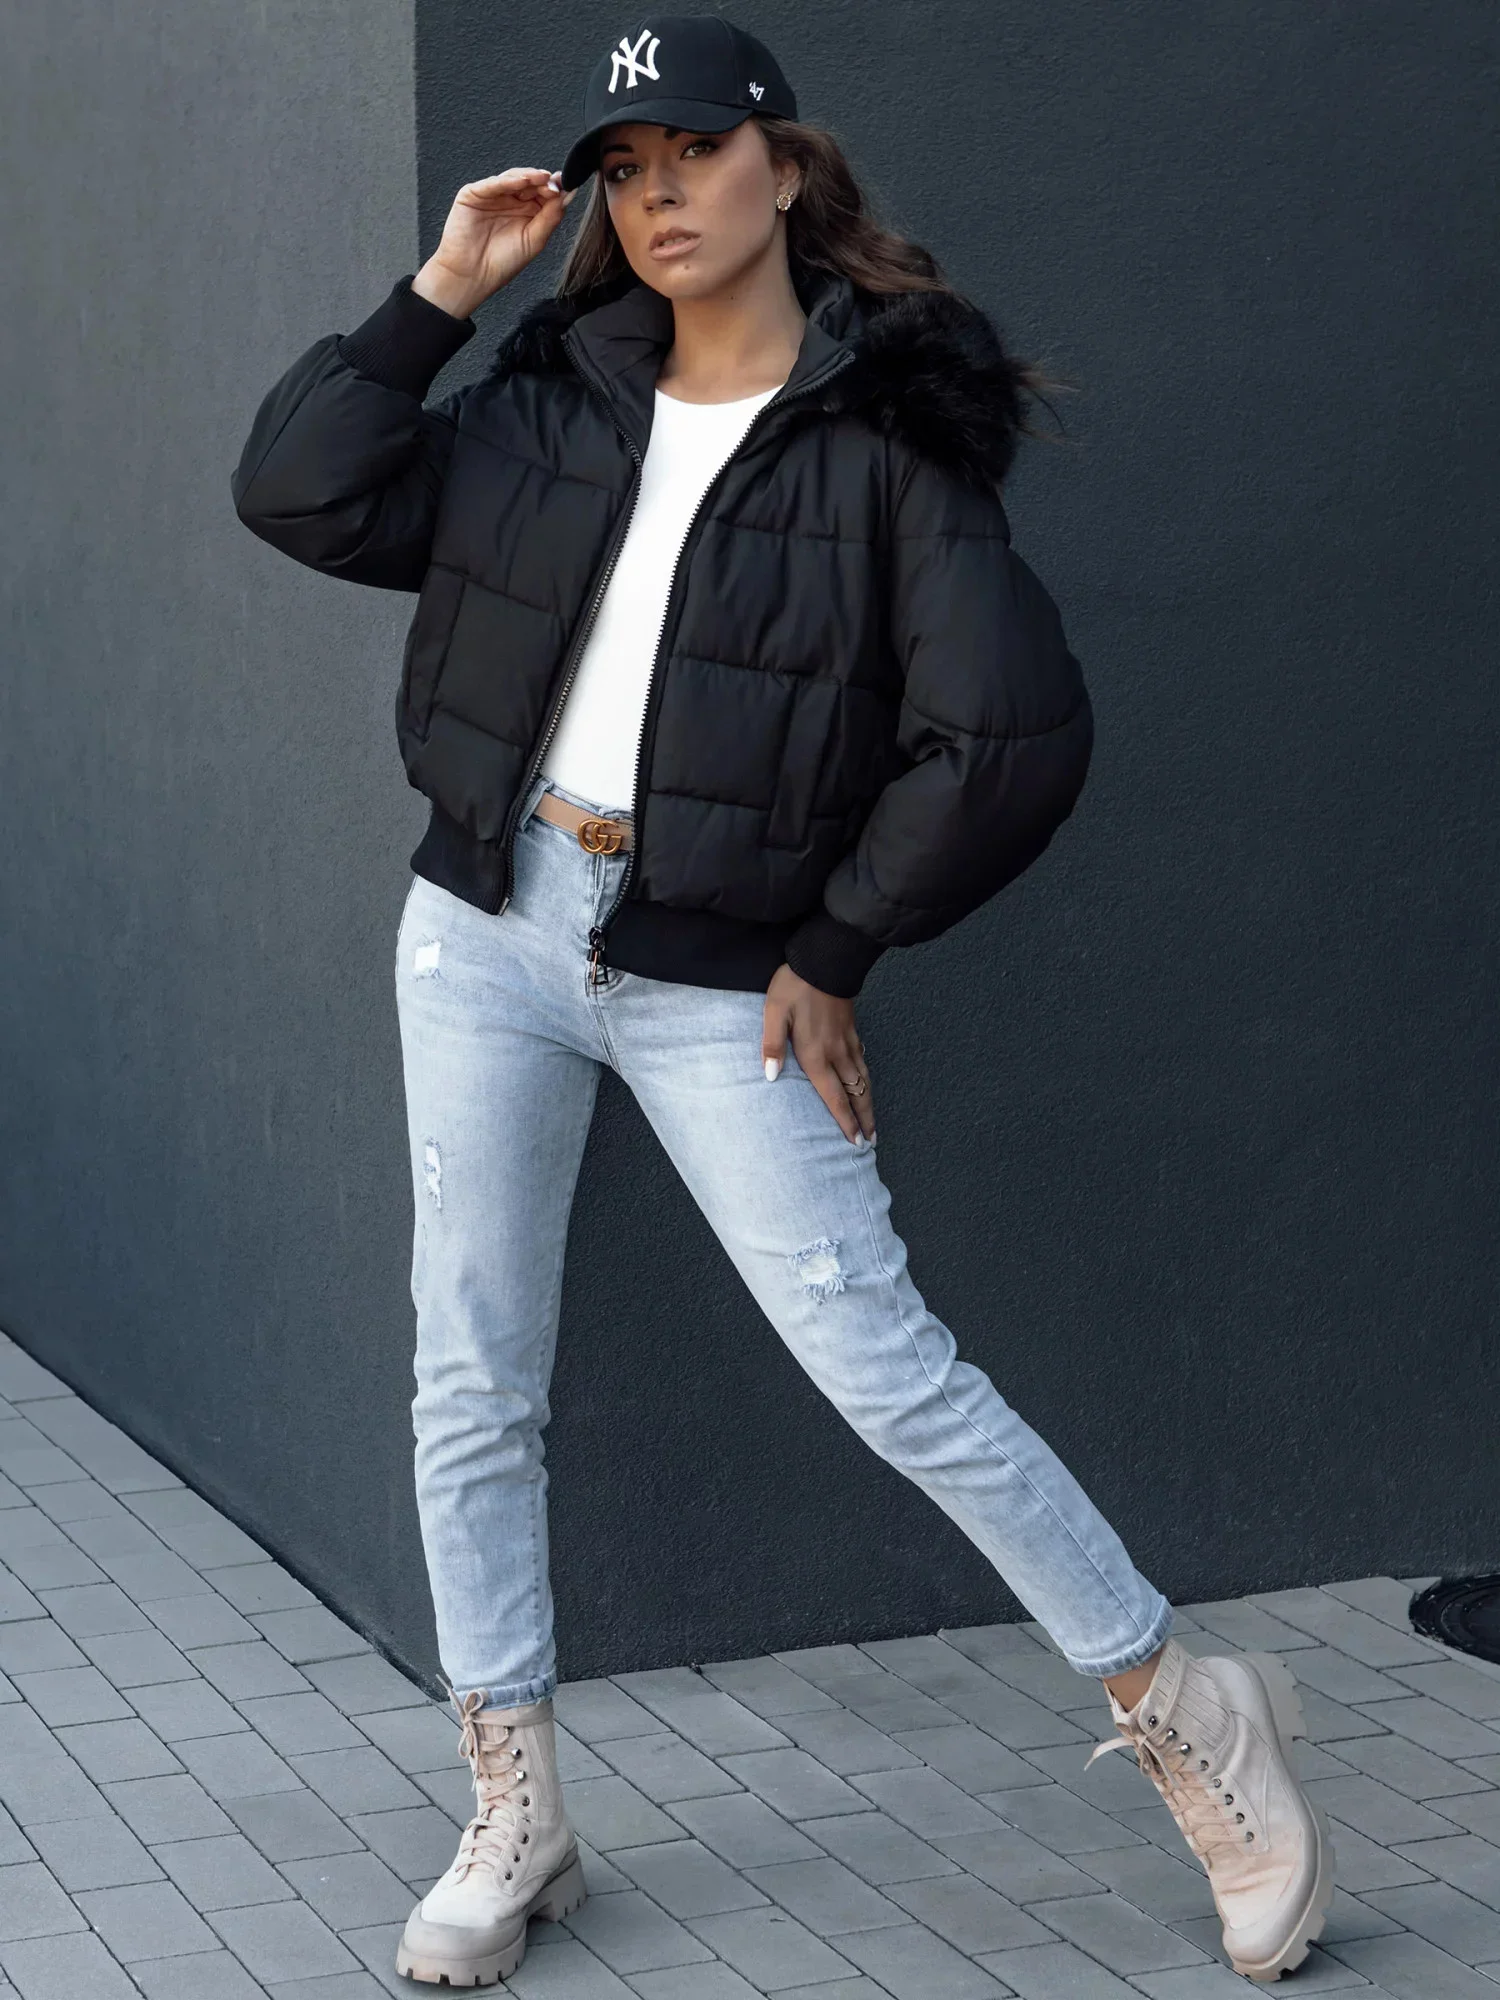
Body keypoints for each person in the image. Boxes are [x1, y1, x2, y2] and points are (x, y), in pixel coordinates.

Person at [231, 14, 1334, 1988]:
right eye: (625, 166)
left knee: (883, 1364)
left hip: (714, 971)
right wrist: (443, 288)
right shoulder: (550, 395)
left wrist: (833, 950)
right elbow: (300, 493)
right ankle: (516, 1804)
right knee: (469, 1375)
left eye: (694, 153)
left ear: (786, 169)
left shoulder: (884, 439)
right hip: (484, 924)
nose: (658, 194)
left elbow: (1009, 733)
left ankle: (1185, 1708)